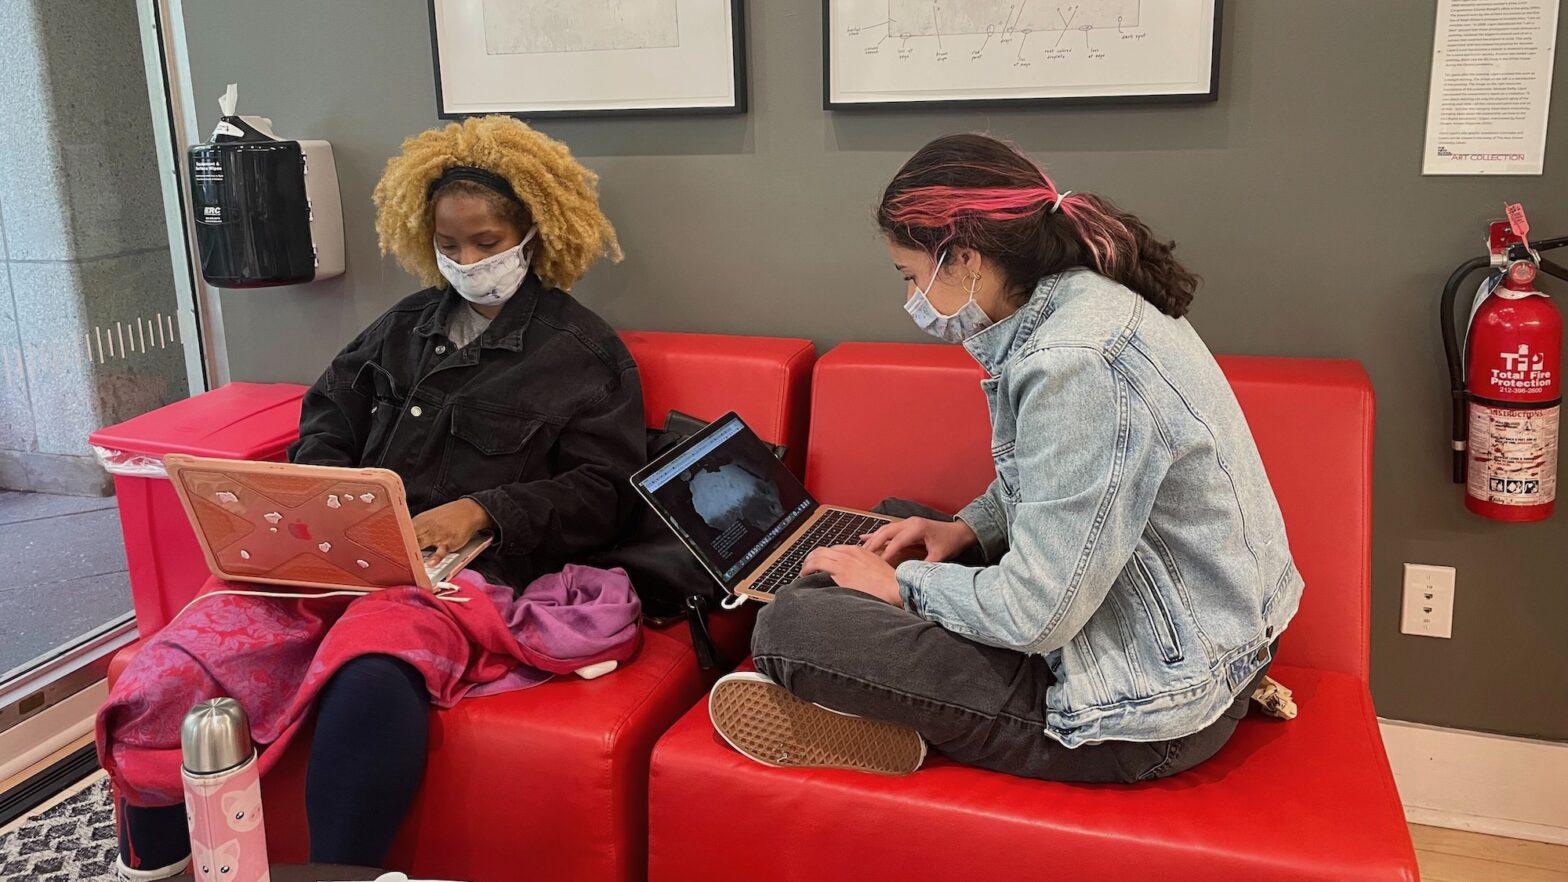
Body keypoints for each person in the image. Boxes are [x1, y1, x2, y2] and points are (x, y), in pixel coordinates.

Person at [109, 116, 644, 879]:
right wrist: (323, 492)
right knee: (182, 654)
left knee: (371, 665)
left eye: (488, 242)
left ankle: (342, 873)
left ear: (533, 231)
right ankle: (158, 867)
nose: (467, 261)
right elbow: (327, 417)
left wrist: (485, 509)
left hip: (460, 575)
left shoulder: (586, 356)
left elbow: (605, 496)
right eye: (448, 245)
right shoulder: (402, 328)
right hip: (338, 552)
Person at [708, 133, 1302, 783]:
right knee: (891, 525)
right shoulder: (1091, 300)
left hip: (1155, 708)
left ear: (963, 258)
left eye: (910, 276)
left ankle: (877, 712)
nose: (910, 298)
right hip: (1197, 635)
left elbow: (1036, 614)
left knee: (791, 627)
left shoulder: (1073, 361)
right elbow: (1067, 484)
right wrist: (966, 529)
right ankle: (881, 679)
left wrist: (901, 588)